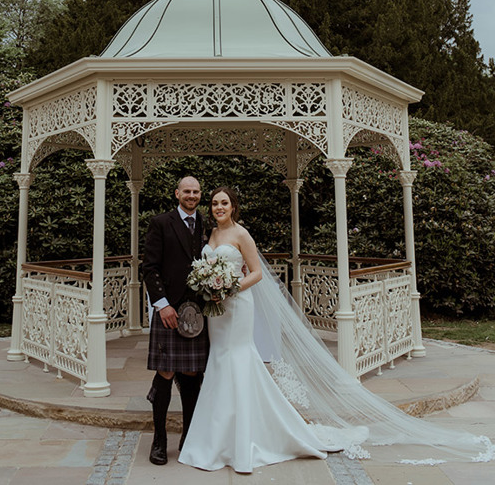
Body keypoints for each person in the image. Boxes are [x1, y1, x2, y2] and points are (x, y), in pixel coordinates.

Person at [179, 186, 495, 473]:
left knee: (238, 359)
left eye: (224, 203)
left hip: (237, 307)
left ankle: (246, 439)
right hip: (216, 311)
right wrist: (211, 287)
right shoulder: (211, 235)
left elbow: (258, 273)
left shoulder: (241, 234)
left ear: (234, 206)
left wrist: (232, 287)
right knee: (219, 361)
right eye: (215, 203)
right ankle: (216, 439)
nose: (219, 207)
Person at [142, 175, 209, 465]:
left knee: (193, 373)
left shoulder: (207, 223)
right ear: (177, 193)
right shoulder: (161, 223)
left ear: (199, 195)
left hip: (199, 311)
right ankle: (159, 440)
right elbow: (150, 267)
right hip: (169, 309)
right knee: (167, 372)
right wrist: (162, 305)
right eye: (186, 191)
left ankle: (188, 436)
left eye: (195, 192)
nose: (191, 196)